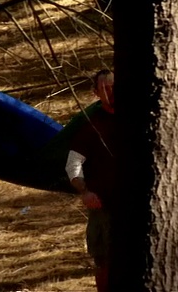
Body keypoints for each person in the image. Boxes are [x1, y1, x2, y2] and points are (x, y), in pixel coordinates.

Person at [64, 69, 116, 292]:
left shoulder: (143, 121)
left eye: (113, 86)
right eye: (104, 88)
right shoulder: (91, 127)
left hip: (138, 204)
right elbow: (73, 165)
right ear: (96, 93)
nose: (110, 91)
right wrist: (85, 192)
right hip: (103, 207)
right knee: (105, 262)